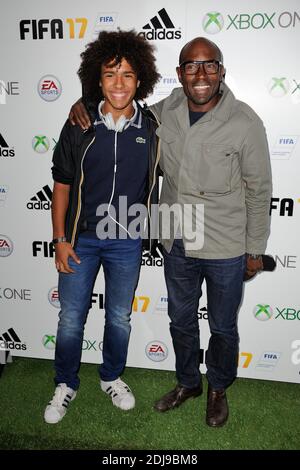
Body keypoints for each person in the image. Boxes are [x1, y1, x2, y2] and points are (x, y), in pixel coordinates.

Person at [69, 37, 272, 427]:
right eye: (191, 66)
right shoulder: (164, 111)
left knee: (223, 325)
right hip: (177, 236)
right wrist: (84, 100)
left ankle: (218, 388)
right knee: (180, 320)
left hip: (225, 241)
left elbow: (260, 190)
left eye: (209, 65)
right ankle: (188, 382)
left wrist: (254, 248)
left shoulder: (246, 122)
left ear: (221, 71)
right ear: (179, 74)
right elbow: (119, 104)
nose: (200, 74)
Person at [44, 30, 160, 424]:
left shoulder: (153, 127)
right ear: (98, 79)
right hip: (82, 240)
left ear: (140, 78)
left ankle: (111, 376)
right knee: (71, 318)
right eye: (110, 74)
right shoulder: (79, 123)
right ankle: (65, 383)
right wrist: (60, 240)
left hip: (126, 240)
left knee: (119, 318)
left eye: (127, 74)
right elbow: (60, 185)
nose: (119, 84)